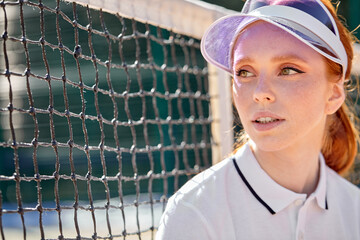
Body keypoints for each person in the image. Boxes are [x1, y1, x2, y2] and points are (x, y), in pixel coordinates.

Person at [156, 0, 360, 239]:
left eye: (288, 70)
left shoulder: (354, 211)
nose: (259, 92)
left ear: (333, 94)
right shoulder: (195, 214)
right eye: (245, 72)